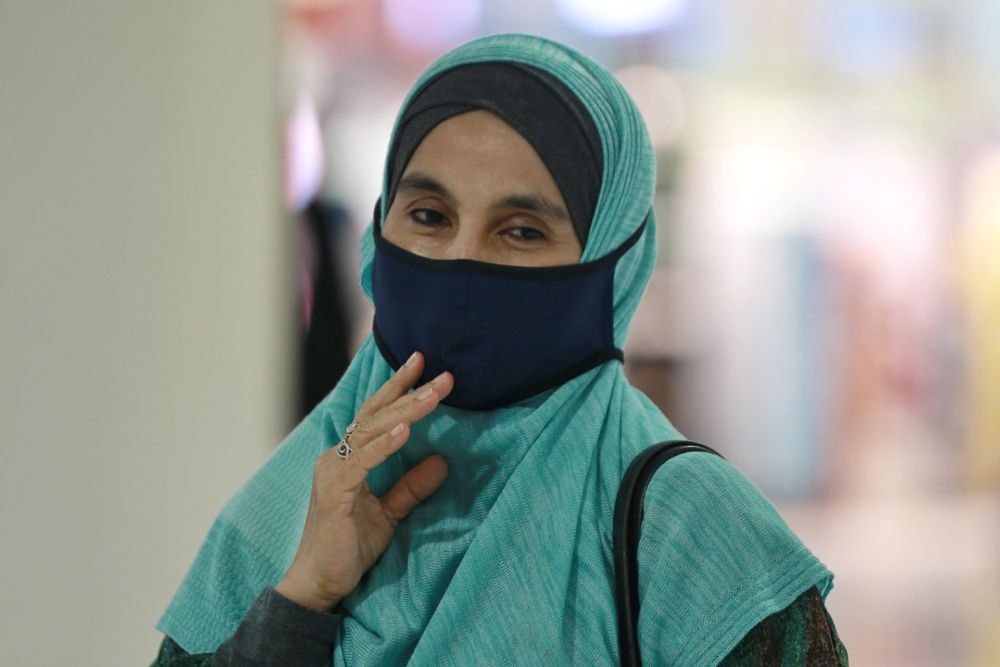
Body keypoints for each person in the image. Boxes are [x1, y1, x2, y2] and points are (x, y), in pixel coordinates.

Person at [152, 33, 848, 666]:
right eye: (429, 215)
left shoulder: (693, 532)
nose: (461, 259)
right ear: (378, 232)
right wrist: (303, 598)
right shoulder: (291, 510)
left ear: (611, 267)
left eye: (521, 231)